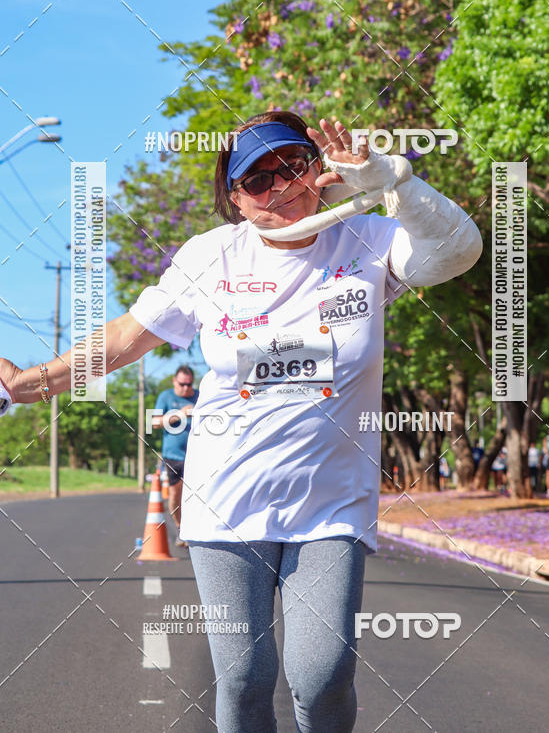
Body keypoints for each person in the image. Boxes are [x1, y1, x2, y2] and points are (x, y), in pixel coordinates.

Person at [0, 110, 482, 732]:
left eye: (292, 166)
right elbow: (122, 339)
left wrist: (390, 177)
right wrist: (23, 387)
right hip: (227, 498)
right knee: (246, 678)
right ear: (235, 199)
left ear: (320, 169)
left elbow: (458, 250)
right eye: (257, 180)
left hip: (331, 501)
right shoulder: (211, 257)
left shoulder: (367, 238)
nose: (279, 186)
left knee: (323, 672)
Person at [152, 365, 198, 546]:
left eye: (189, 384)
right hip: (173, 456)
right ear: (174, 381)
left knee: (196, 496)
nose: (186, 388)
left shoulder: (200, 395)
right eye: (182, 384)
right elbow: (155, 422)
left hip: (197, 456)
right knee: (175, 496)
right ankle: (180, 529)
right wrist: (180, 414)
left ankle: (194, 532)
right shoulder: (166, 397)